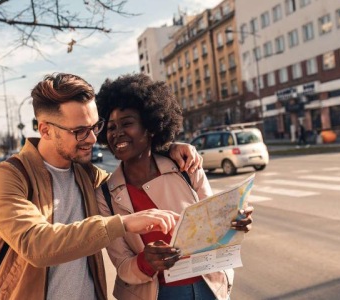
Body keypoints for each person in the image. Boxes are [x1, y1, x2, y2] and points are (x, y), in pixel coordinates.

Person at [0, 73, 204, 299]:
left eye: (95, 127)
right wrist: (124, 223)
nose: (91, 139)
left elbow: (135, 159)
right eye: (79, 131)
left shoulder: (89, 176)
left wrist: (168, 147)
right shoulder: (7, 177)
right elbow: (36, 245)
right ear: (46, 130)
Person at [95, 73, 254, 300]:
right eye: (110, 127)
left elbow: (214, 230)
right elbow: (121, 264)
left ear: (150, 127)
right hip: (157, 294)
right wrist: (145, 262)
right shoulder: (105, 195)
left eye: (127, 123)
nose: (117, 133)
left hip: (209, 286)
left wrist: (234, 223)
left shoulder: (186, 168)